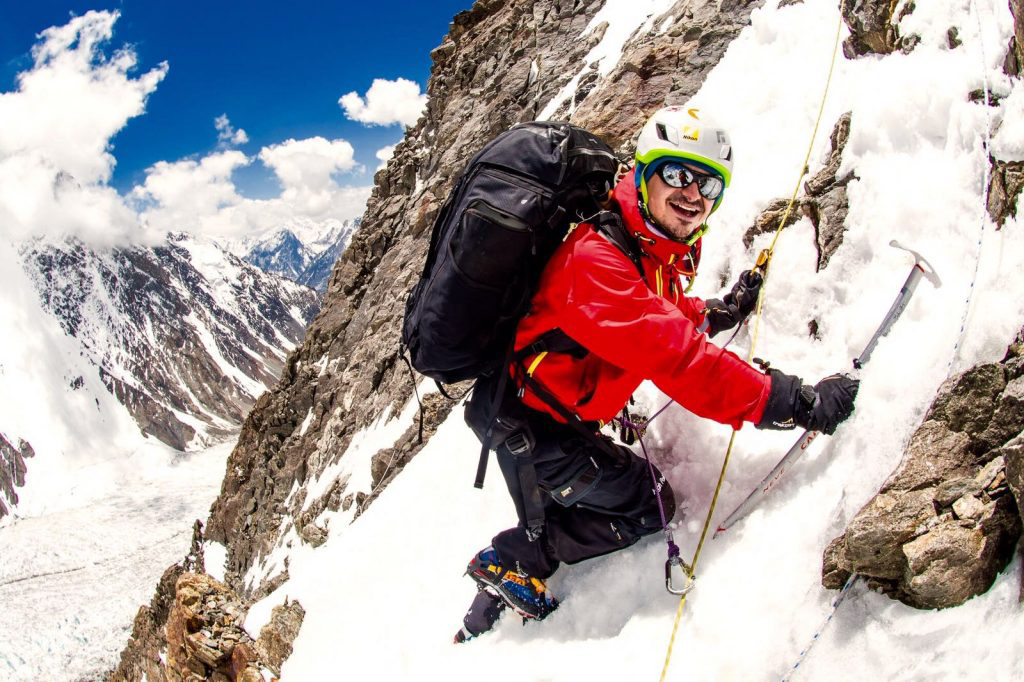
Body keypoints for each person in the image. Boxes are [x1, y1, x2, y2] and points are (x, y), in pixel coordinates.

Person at [455, 105, 859, 642]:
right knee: (651, 504)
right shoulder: (596, 261)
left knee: (550, 503)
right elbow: (677, 357)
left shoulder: (639, 246)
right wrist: (794, 402)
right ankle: (513, 560)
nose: (693, 194)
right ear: (642, 173)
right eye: (677, 174)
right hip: (538, 432)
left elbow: (659, 312)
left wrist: (720, 311)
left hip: (531, 417)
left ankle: (477, 627)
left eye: (709, 184)